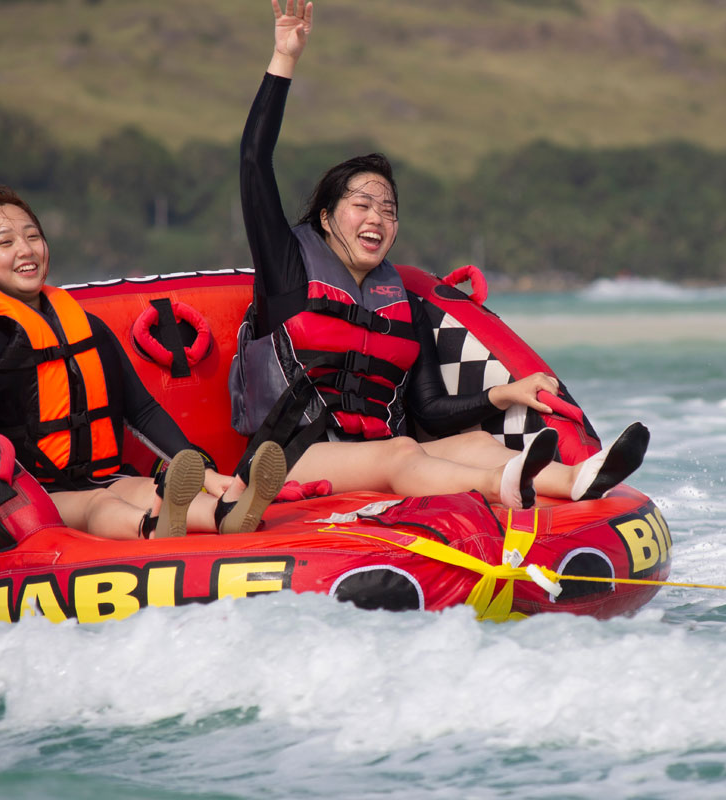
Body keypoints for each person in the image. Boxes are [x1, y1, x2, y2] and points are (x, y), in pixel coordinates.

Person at [231, 0, 648, 509]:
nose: (377, 219)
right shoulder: (288, 268)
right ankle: (503, 489)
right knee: (401, 452)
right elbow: (254, 161)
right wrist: (284, 57)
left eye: (388, 209)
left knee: (475, 443)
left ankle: (576, 479)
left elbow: (428, 407)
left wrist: (504, 395)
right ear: (325, 217)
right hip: (290, 455)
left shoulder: (398, 298)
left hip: (379, 453)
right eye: (361, 205)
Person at [0, 186, 286, 540]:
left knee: (144, 489)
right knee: (98, 503)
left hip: (107, 474)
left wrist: (203, 468)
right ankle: (152, 529)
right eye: (5, 242)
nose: (26, 250)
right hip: (37, 497)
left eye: (33, 236)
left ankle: (225, 512)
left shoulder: (84, 326)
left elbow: (142, 411)